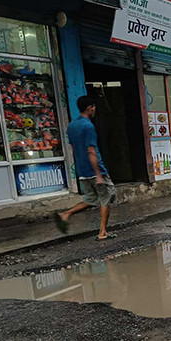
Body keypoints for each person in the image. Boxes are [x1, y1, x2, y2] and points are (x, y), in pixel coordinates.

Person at [54, 96, 115, 240]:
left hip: (82, 170)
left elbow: (74, 148)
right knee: (106, 197)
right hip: (94, 169)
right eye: (94, 107)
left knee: (92, 199)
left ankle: (65, 214)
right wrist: (98, 174)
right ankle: (102, 232)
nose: (95, 110)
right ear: (89, 108)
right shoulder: (88, 126)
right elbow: (91, 151)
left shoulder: (72, 126)